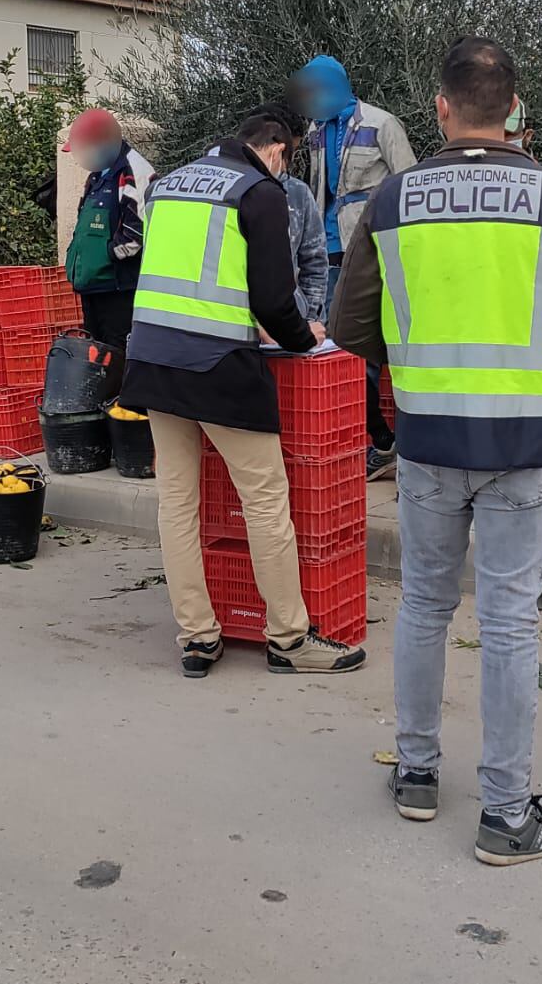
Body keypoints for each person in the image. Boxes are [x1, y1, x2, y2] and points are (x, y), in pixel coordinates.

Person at [332, 38, 542, 866]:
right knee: (507, 621)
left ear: (440, 107)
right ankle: (505, 815)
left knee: (425, 605)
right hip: (523, 442)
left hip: (427, 437)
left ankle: (418, 772)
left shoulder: (393, 198)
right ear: (516, 111)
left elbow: (350, 323)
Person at [122, 110, 366, 679]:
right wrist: (307, 337)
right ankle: (288, 637)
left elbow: (191, 273)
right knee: (264, 497)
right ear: (278, 148)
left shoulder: (167, 185)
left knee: (178, 504)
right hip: (218, 365)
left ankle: (197, 637)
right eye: (290, 157)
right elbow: (278, 301)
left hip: (154, 357)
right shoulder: (259, 192)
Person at [295, 53, 416, 477]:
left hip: (374, 250)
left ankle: (394, 446)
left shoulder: (381, 125)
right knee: (342, 348)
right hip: (328, 252)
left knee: (379, 347)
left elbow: (408, 183)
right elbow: (317, 188)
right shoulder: (315, 130)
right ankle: (380, 442)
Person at [63, 107, 154, 388]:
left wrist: (108, 257)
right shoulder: (98, 175)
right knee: (98, 358)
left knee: (119, 358)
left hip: (118, 288)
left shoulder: (133, 171)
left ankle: (122, 418)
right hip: (93, 288)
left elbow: (136, 233)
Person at [252, 100, 328, 320]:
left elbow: (314, 261)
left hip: (285, 327)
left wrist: (309, 318)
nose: (287, 164)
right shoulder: (231, 190)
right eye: (285, 154)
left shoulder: (298, 194)